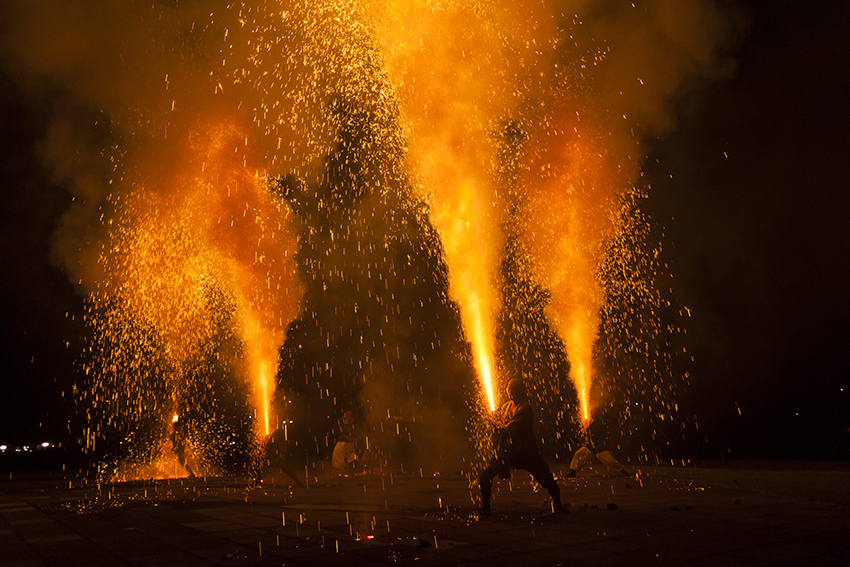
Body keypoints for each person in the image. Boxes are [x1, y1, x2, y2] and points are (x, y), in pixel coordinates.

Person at [478, 379, 564, 516]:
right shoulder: (506, 406)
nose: (510, 391)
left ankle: (559, 505)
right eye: (508, 388)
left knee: (545, 476)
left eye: (513, 388)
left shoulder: (525, 408)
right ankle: (486, 508)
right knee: (485, 475)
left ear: (520, 390)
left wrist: (497, 423)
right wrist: (494, 423)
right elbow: (501, 428)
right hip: (509, 452)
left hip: (526, 452)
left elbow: (512, 428)